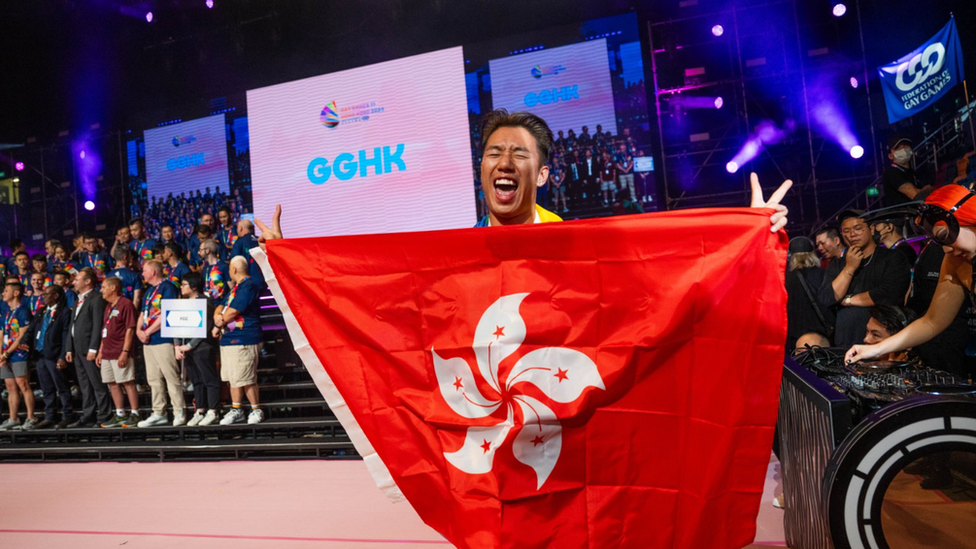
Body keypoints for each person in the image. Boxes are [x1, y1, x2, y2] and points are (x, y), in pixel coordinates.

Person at [846, 185, 976, 379]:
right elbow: (932, 321)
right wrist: (874, 349)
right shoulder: (955, 261)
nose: (947, 250)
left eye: (945, 236)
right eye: (939, 242)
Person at [817, 211, 911, 348]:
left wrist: (848, 300)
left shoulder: (892, 257)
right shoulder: (837, 264)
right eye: (846, 231)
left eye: (858, 228)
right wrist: (849, 268)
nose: (852, 234)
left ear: (871, 229)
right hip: (845, 341)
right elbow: (826, 298)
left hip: (882, 342)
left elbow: (890, 294)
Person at [136, 259, 185, 427]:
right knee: (153, 379)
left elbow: (167, 313)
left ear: (153, 272)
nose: (142, 274)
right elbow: (143, 314)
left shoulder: (168, 287)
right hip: (148, 342)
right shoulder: (149, 291)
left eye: (144, 270)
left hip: (163, 339)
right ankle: (159, 412)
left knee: (171, 377)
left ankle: (179, 411)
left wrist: (147, 332)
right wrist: (138, 331)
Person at [215, 256, 264, 425]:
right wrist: (217, 317)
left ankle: (256, 409)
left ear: (234, 270)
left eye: (229, 269)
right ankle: (237, 409)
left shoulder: (248, 286)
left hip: (244, 338)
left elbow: (233, 311)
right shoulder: (235, 288)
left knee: (246, 377)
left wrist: (220, 319)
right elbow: (221, 306)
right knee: (234, 378)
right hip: (229, 338)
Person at [23, 284, 74, 429]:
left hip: (54, 355)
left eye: (46, 294)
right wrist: (25, 341)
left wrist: (62, 356)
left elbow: (65, 336)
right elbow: (31, 330)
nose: (43, 296)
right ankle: (50, 416)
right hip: (40, 355)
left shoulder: (64, 312)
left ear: (56, 296)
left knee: (62, 387)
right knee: (46, 388)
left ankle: (67, 416)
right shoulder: (41, 311)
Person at [66, 268, 110, 428]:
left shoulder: (97, 298)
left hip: (89, 349)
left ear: (87, 281)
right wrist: (69, 348)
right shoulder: (78, 299)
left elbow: (98, 324)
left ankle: (105, 414)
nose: (74, 282)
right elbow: (72, 324)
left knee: (97, 383)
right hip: (77, 349)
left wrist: (94, 348)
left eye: (77, 279)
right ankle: (88, 415)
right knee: (84, 384)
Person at [176, 272, 221, 426]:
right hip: (187, 348)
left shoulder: (205, 302)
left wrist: (190, 345)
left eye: (184, 284)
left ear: (194, 286)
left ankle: (213, 410)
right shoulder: (182, 302)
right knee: (196, 380)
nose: (181, 287)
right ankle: (200, 410)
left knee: (209, 379)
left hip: (202, 347)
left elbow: (205, 326)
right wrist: (177, 346)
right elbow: (176, 325)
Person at [96, 277, 140, 428]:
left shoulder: (126, 304)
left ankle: (135, 413)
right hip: (107, 351)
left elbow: (130, 329)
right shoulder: (108, 306)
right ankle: (120, 414)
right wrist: (101, 350)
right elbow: (105, 330)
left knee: (127, 382)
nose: (101, 290)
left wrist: (125, 351)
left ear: (113, 288)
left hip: (120, 350)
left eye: (103, 287)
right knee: (112, 383)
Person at [0, 280, 37, 430]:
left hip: (18, 354)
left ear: (16, 293)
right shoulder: (6, 312)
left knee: (23, 385)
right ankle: (13, 418)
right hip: (5, 355)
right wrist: (1, 353)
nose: (3, 293)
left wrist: (7, 353)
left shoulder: (23, 311)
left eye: (6, 291)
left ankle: (31, 417)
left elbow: (22, 335)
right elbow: (1, 334)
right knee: (10, 387)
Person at [785, 236, 832, 350]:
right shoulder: (824, 274)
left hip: (794, 332)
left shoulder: (785, 278)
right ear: (812, 254)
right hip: (821, 332)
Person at [881, 136, 930, 207]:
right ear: (890, 156)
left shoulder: (913, 172)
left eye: (906, 146)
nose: (904, 150)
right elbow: (916, 195)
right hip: (901, 215)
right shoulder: (891, 173)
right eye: (898, 148)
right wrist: (925, 191)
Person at [229, 219, 265, 289]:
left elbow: (235, 261)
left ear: (240, 229)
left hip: (249, 283)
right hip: (265, 280)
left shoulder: (238, 243)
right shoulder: (261, 240)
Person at [200, 239, 229, 304]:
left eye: (201, 250)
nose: (199, 252)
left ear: (207, 250)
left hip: (220, 304)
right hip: (207, 304)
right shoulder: (205, 268)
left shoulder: (223, 266)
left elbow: (231, 286)